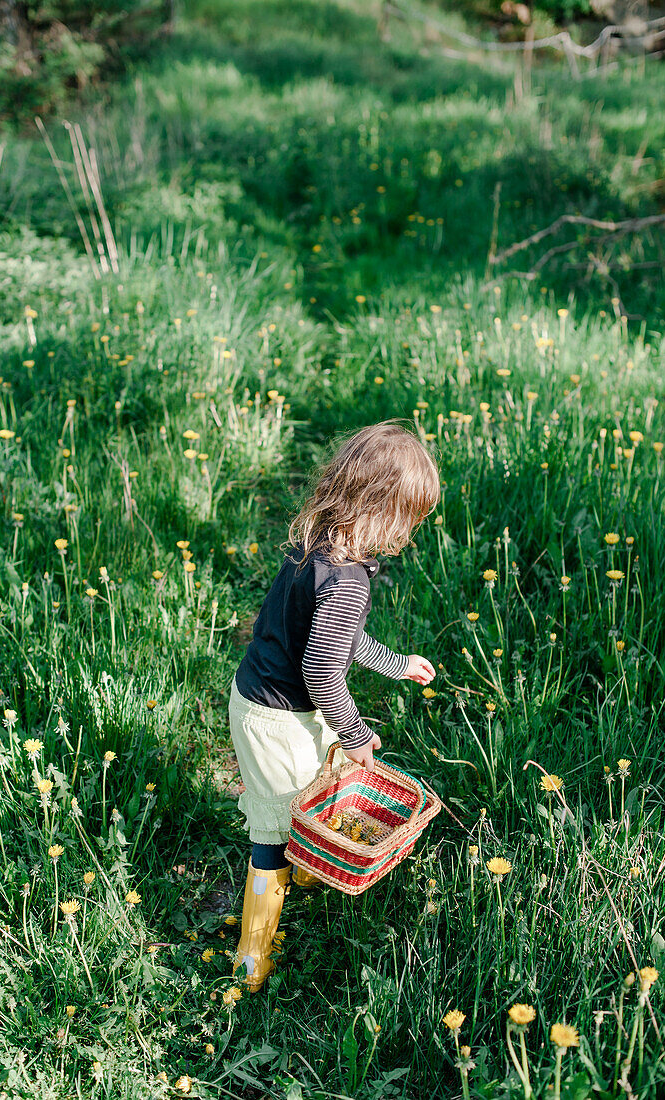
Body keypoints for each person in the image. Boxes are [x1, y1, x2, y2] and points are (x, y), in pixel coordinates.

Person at [228, 421, 440, 991]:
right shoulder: (346, 581)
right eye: (410, 520)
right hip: (279, 718)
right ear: (386, 512)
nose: (408, 533)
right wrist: (354, 732)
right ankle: (253, 954)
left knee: (302, 798)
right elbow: (323, 668)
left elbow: (332, 644)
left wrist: (397, 663)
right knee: (272, 831)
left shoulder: (317, 547)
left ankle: (301, 869)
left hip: (265, 701)